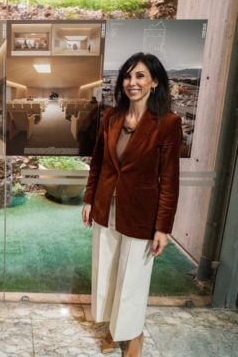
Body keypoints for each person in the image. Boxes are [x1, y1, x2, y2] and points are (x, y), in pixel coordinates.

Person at [81, 52, 181, 357]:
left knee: (133, 276)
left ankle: (134, 334)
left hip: (141, 213)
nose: (132, 82)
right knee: (107, 270)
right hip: (106, 207)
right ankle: (115, 328)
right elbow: (98, 163)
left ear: (154, 82)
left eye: (140, 76)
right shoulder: (111, 117)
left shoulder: (168, 123)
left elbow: (169, 180)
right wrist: (89, 199)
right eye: (127, 76)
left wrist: (163, 227)